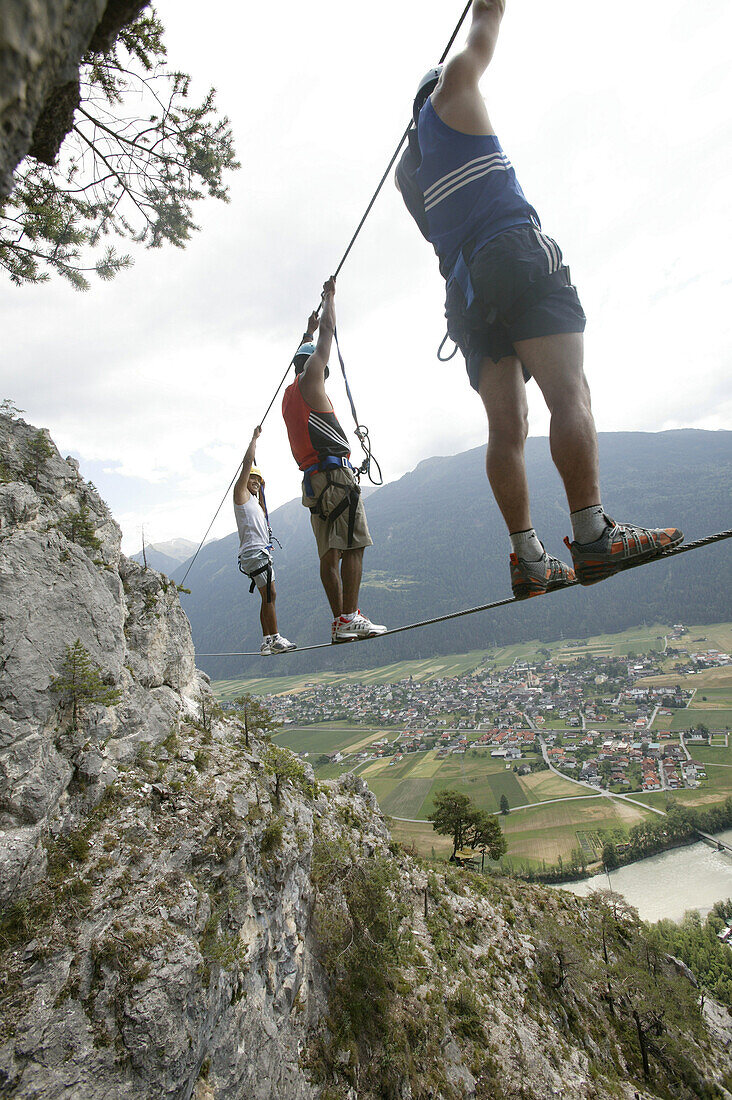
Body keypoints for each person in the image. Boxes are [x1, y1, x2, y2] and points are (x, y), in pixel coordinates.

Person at [396, 0, 682, 597]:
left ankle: (528, 558)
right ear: (437, 92)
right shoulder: (452, 94)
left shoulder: (412, 177)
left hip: (466, 293)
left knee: (507, 429)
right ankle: (594, 535)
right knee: (568, 391)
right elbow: (486, 26)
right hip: (513, 253)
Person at [282, 277, 386, 643]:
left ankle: (340, 621)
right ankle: (350, 616)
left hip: (314, 483)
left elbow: (304, 351)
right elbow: (327, 334)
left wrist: (304, 332)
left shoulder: (289, 396)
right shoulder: (312, 378)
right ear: (313, 367)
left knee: (329, 552)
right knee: (354, 545)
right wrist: (329, 299)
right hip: (336, 478)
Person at [233, 427, 296, 655]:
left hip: (256, 553)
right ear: (245, 479)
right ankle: (276, 639)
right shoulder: (240, 495)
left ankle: (267, 640)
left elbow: (263, 515)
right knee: (270, 594)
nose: (256, 482)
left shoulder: (254, 502)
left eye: (259, 480)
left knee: (267, 595)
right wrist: (254, 439)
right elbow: (247, 462)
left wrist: (262, 491)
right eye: (253, 478)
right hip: (254, 553)